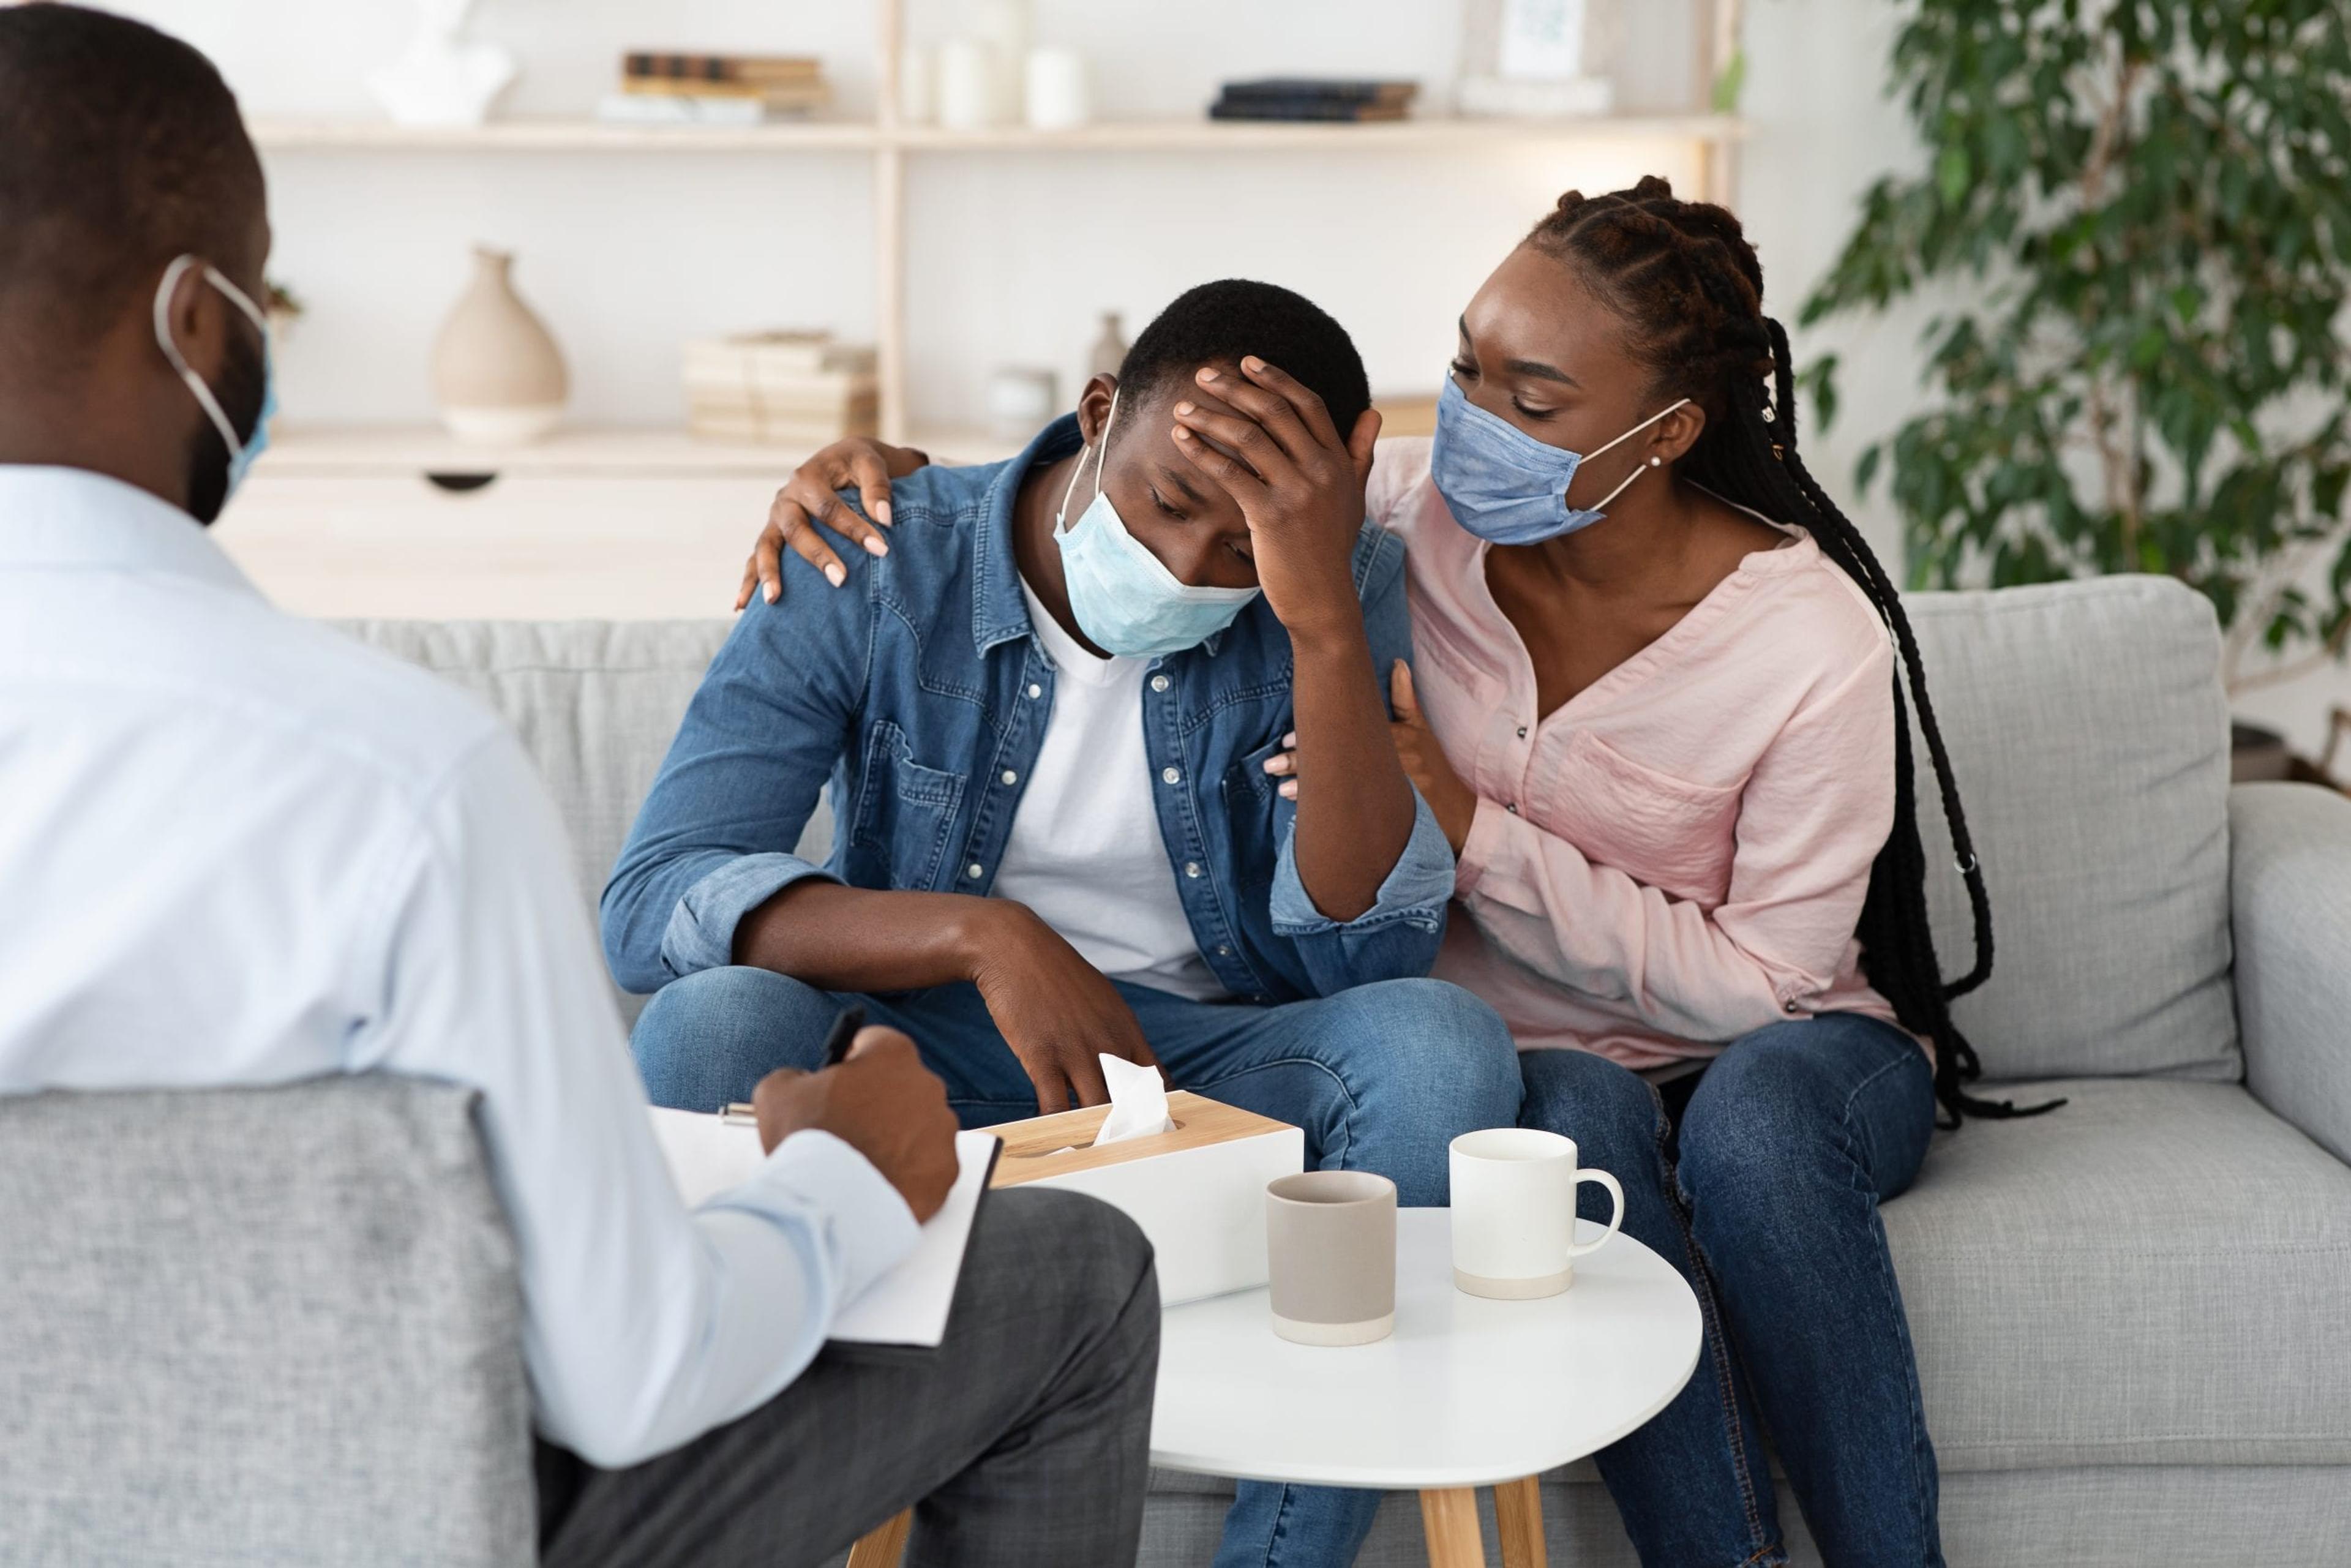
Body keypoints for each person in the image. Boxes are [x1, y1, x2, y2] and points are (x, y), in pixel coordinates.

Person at [738, 180, 2047, 1567]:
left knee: (1756, 1132)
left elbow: (1771, 982)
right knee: (1554, 1126)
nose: (1476, 421)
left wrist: (1478, 831)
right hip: (1540, 1062)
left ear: (1663, 434)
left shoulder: (1811, 642)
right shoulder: (1400, 518)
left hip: (1783, 1040)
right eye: (1468, 366)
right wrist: (886, 473)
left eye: (1533, 401)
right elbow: (1140, 487)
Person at [0, 12, 1157, 1568]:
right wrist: (842, 1176)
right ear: (203, 325)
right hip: (387, 1523)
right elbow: (629, 1376)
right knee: (1072, 1277)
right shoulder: (396, 785)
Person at [604, 278, 1524, 1562]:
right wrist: (988, 939)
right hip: (911, 1057)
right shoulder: (878, 551)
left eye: (1244, 547)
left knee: (1440, 1048)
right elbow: (654, 897)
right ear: (1099, 413)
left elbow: (1369, 950)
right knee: (712, 1025)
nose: (1193, 569)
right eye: (1166, 506)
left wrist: (1316, 621)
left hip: (1194, 1074)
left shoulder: (1336, 575)